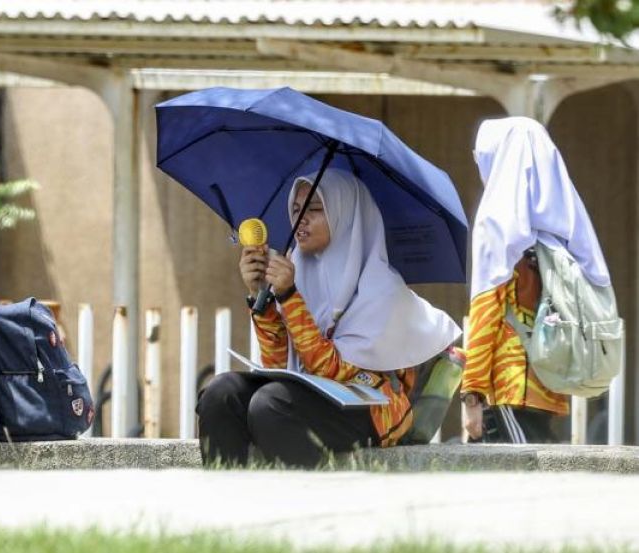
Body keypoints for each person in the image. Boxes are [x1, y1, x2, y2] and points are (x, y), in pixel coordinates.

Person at [196, 168, 461, 468]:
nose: (301, 219)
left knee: (271, 404)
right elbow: (278, 366)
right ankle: (231, 505)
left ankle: (303, 508)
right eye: (296, 210)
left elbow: (336, 374)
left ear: (345, 215)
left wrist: (288, 297)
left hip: (372, 407)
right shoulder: (298, 268)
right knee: (221, 394)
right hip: (309, 396)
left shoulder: (384, 291)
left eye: (315, 209)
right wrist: (262, 297)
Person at [462, 117, 611, 443]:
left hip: (509, 383)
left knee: (517, 474)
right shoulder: (567, 223)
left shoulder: (498, 224)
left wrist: (471, 392)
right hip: (551, 376)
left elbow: (486, 311)